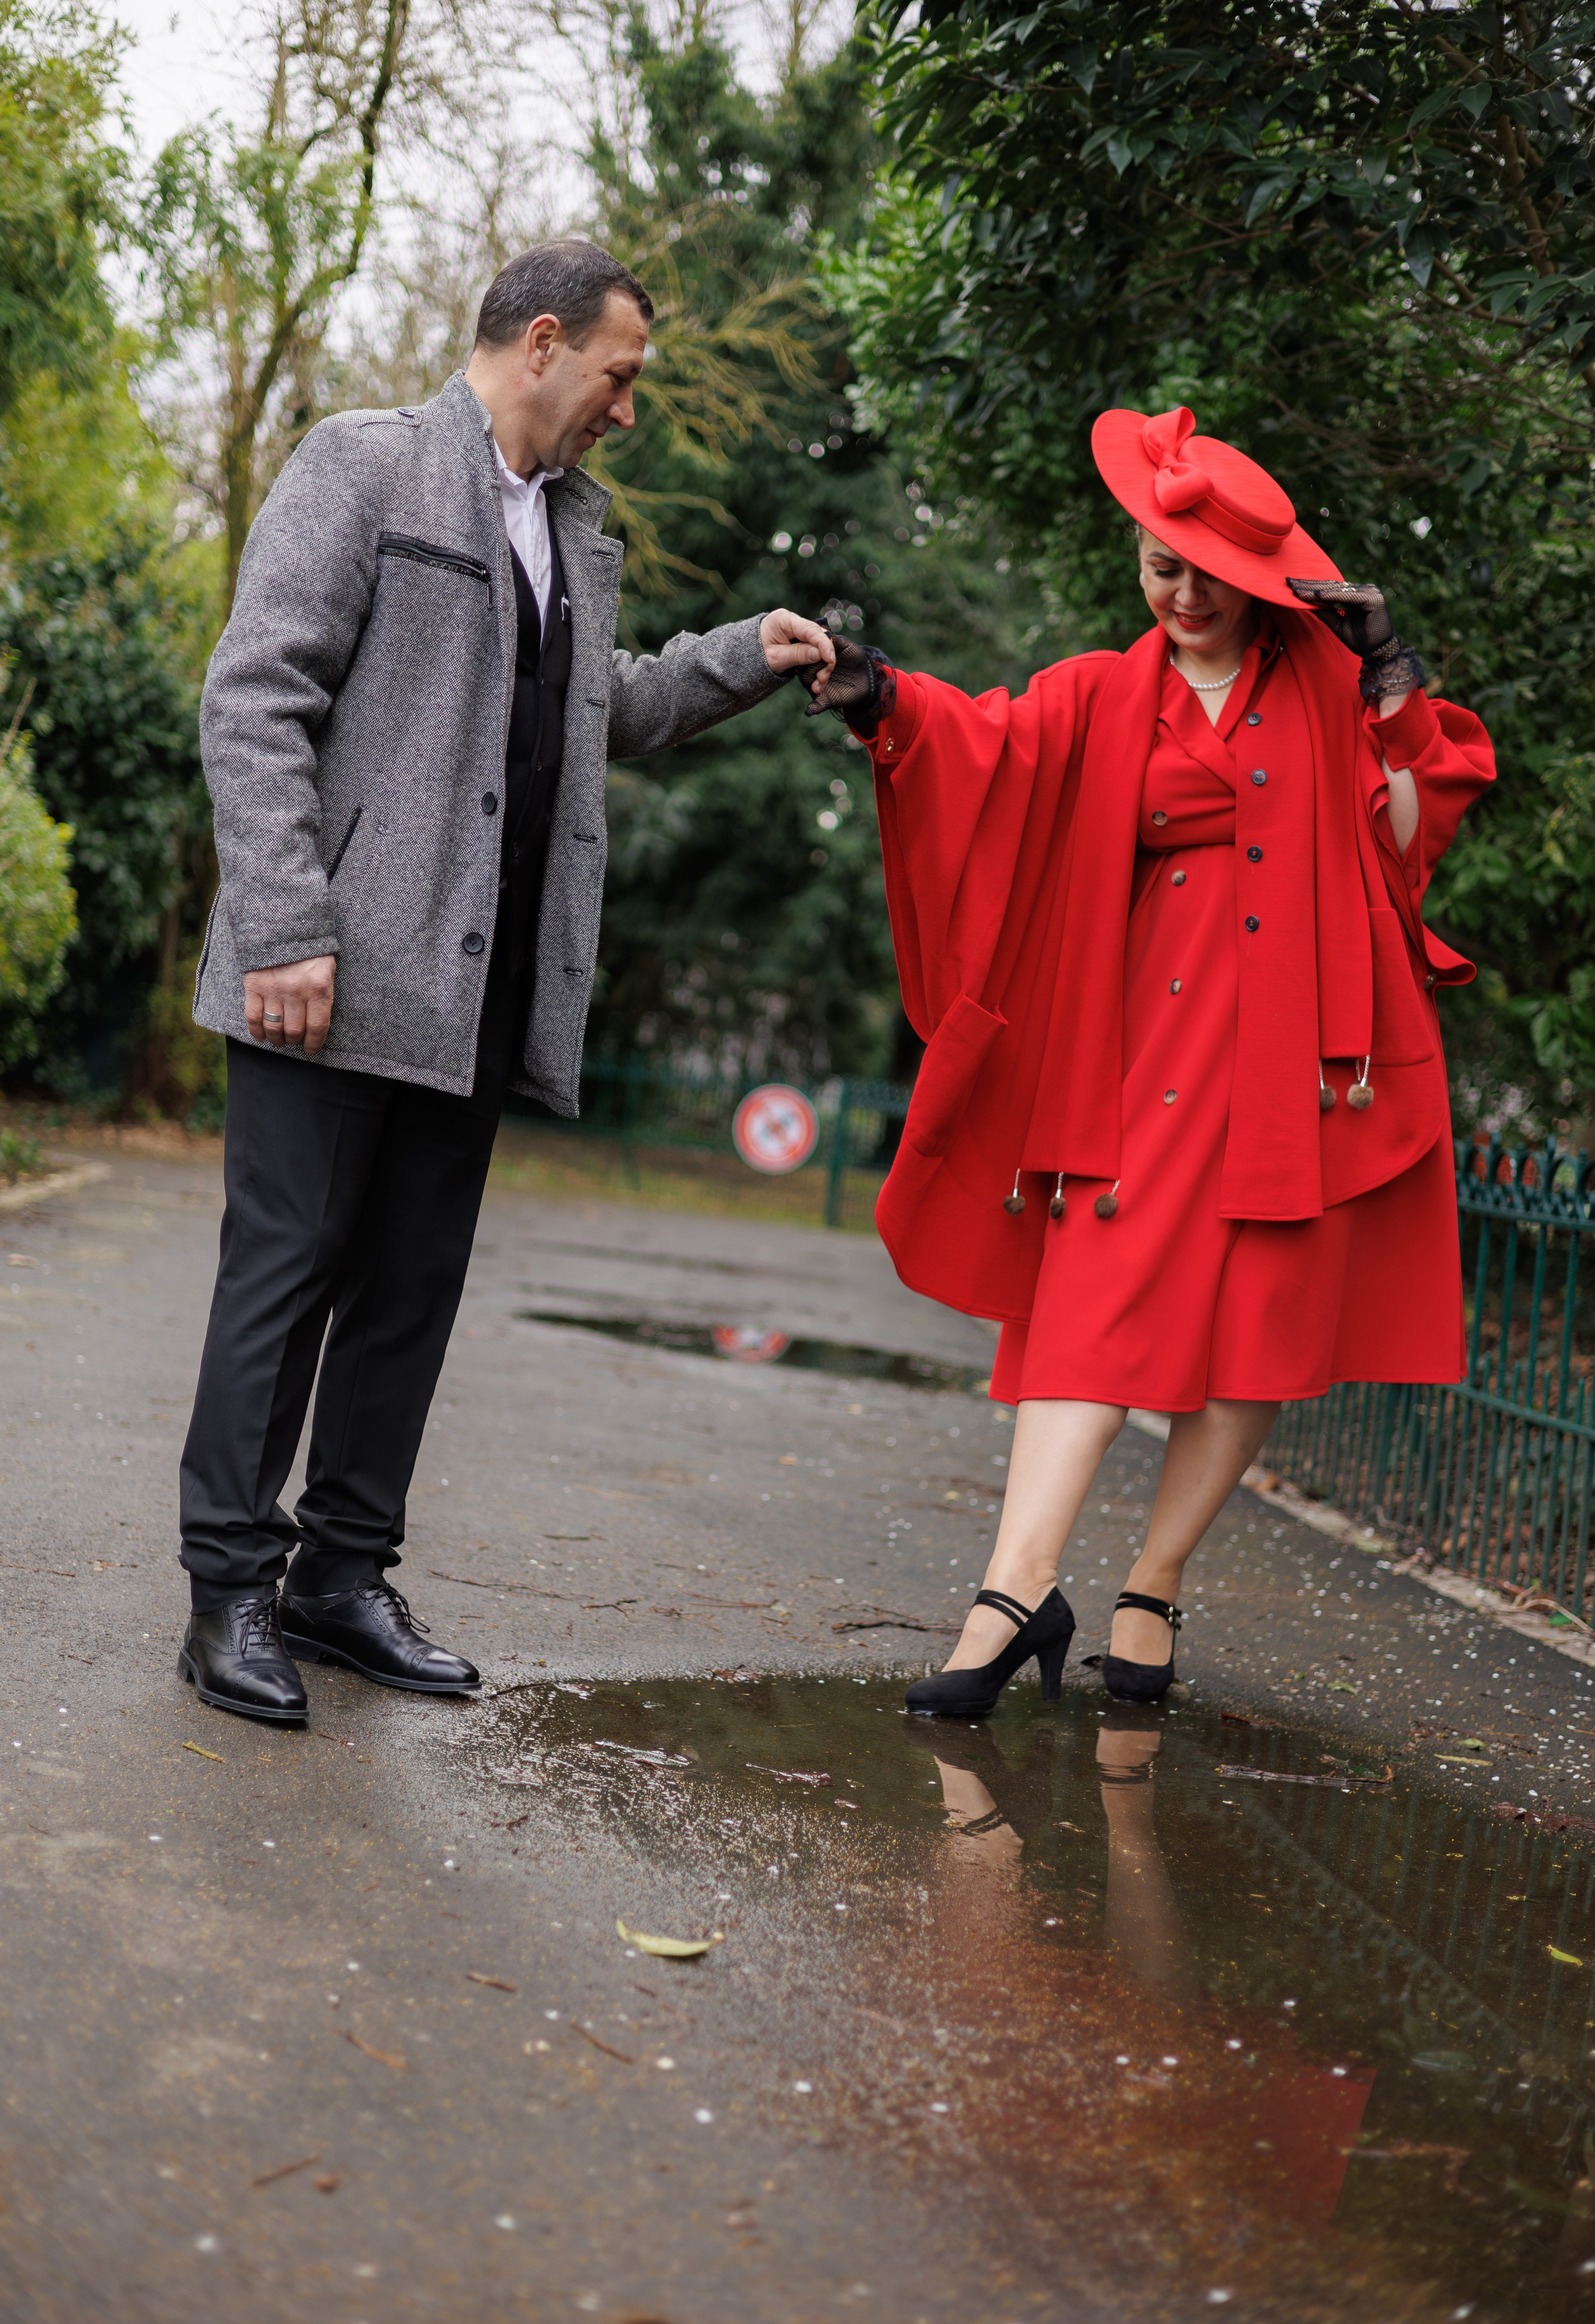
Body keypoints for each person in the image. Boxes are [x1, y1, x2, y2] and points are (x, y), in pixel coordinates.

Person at [178, 240, 836, 1725]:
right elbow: (256, 691)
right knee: (282, 1288)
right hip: (327, 977)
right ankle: (227, 1592)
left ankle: (338, 1582)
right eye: (619, 376)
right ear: (543, 342)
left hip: (477, 985)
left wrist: (740, 654)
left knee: (406, 1296)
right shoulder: (366, 464)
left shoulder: (573, 528)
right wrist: (284, 923)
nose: (625, 410)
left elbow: (595, 707)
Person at [804, 406, 1493, 1713]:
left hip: (1301, 1059)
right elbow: (977, 748)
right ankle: (1012, 1595)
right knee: (1089, 1302)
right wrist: (880, 697)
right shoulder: (1098, 693)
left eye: (1203, 576)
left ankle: (1150, 1586)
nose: (1176, 595)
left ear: (1255, 580)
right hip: (1147, 1045)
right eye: (1154, 565)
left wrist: (1392, 680)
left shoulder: (1336, 691)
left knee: (1256, 1332)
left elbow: (1409, 832)